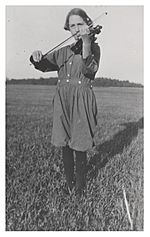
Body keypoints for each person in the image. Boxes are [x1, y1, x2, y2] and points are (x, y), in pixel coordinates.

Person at [30, 8, 100, 197]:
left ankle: (80, 187)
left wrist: (86, 42)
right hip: (62, 99)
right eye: (72, 25)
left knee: (79, 141)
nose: (76, 28)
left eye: (80, 24)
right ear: (68, 29)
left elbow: (89, 70)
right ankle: (70, 184)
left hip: (81, 98)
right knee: (65, 142)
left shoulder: (93, 47)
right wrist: (36, 57)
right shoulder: (64, 51)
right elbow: (44, 65)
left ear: (88, 24)